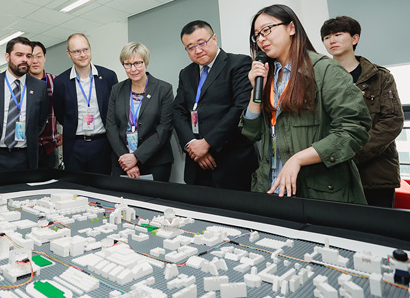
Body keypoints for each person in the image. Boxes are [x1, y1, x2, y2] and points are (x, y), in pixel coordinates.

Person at [241, 4, 370, 202]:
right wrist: (255, 91)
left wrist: (299, 159)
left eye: (267, 30)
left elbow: (354, 129)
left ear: (291, 28)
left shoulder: (325, 70)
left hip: (319, 190)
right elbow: (251, 133)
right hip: (271, 184)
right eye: (256, 35)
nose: (261, 39)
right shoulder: (266, 76)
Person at [321, 16, 404, 207]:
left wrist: (350, 151)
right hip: (332, 173)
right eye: (326, 37)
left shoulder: (380, 77)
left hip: (376, 173)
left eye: (338, 34)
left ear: (355, 38)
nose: (332, 40)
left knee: (379, 224)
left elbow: (392, 121)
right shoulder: (318, 78)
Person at [173, 20, 258, 190]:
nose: (197, 50)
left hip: (232, 162)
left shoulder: (238, 63)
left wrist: (207, 143)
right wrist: (192, 145)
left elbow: (240, 108)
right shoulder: (186, 73)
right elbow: (178, 111)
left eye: (201, 43)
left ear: (214, 38)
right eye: (190, 47)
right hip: (197, 164)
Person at [0, 37, 49, 172]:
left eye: (28, 56)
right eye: (19, 55)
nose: (25, 59)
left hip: (24, 158)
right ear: (7, 57)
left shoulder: (39, 87)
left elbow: (40, 122)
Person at [106, 43, 174, 181]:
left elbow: (165, 128)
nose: (133, 69)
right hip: (122, 161)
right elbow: (111, 126)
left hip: (155, 162)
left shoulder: (163, 89)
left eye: (137, 63)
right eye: (128, 64)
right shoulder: (116, 90)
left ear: (146, 62)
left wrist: (136, 157)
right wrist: (127, 161)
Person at [53, 33, 118, 174]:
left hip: (102, 144)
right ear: (69, 54)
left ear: (90, 49)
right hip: (74, 146)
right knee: (76, 186)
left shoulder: (108, 76)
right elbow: (60, 114)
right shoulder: (60, 82)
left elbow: (115, 110)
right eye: (76, 51)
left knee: (102, 185)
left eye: (85, 49)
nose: (82, 55)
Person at [29, 41, 62, 169]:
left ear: (44, 58)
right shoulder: (21, 84)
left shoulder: (56, 81)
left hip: (50, 146)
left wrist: (66, 133)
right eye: (31, 57)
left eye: (39, 56)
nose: (35, 61)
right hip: (27, 146)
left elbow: (67, 110)